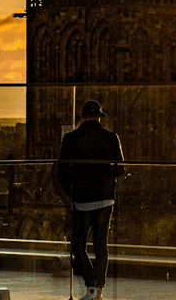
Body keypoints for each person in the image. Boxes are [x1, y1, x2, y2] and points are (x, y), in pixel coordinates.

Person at [55, 100, 125, 300]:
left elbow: (61, 171)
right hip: (105, 198)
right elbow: (121, 169)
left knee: (79, 245)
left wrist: (71, 190)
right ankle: (99, 287)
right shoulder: (111, 137)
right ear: (99, 116)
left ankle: (91, 286)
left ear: (83, 116)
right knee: (101, 245)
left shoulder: (70, 138)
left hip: (82, 199)